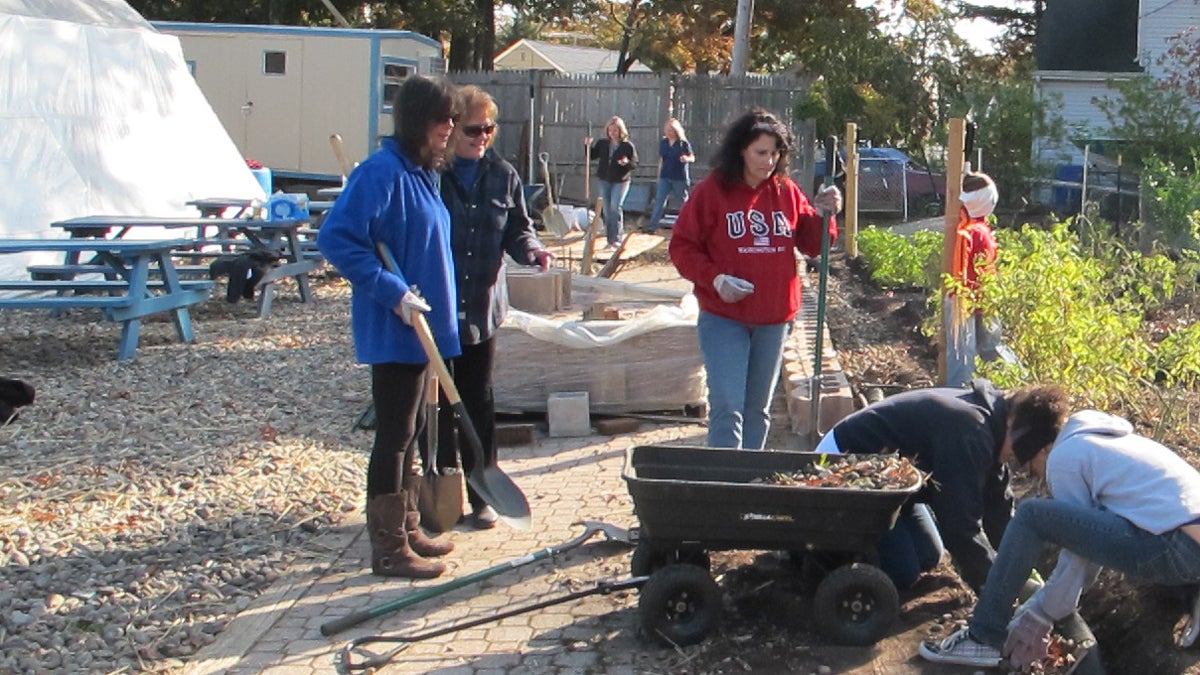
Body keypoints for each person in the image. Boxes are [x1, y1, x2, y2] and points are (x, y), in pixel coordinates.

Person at [920, 409, 1200, 671]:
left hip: (1177, 547)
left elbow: (1082, 551)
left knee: (1032, 516)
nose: (1041, 480)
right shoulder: (1107, 443)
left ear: (1044, 450)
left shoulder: (1064, 458)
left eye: (1033, 469)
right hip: (1189, 546)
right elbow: (1096, 540)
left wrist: (1042, 613)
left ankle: (983, 637)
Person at [317, 75, 461, 579]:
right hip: (395, 326)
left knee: (414, 427)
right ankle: (388, 548)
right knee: (395, 434)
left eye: (453, 119)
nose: (450, 127)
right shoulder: (381, 173)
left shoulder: (422, 173)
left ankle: (408, 525)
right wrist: (390, 290)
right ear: (417, 120)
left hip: (422, 329)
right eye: (442, 118)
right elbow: (336, 238)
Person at [669, 107, 840, 450]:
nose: (769, 161)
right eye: (761, 152)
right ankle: (725, 488)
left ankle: (750, 483)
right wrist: (716, 279)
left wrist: (825, 213)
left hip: (773, 318)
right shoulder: (712, 192)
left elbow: (812, 243)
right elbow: (682, 247)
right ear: (741, 151)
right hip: (724, 317)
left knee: (757, 409)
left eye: (776, 153)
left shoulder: (786, 191)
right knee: (728, 405)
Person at [814, 380, 1070, 594]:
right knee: (903, 573)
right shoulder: (970, 431)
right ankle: (826, 557)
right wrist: (999, 590)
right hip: (847, 473)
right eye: (1017, 459)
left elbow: (997, 506)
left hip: (893, 489)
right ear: (1021, 432)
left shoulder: (994, 421)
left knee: (929, 555)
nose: (1013, 464)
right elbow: (959, 525)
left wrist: (1021, 566)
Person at [437, 85, 554, 530]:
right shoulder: (433, 174)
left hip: (481, 309)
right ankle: (441, 494)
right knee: (436, 405)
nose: (482, 136)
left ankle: (480, 492)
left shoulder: (502, 174)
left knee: (478, 401)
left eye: (488, 128)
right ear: (450, 130)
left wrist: (533, 251)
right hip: (437, 308)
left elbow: (519, 230)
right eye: (472, 129)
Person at [945, 170, 1010, 387]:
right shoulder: (975, 231)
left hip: (972, 298)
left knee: (974, 352)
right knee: (963, 357)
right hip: (966, 300)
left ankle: (983, 390)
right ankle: (961, 397)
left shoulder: (972, 226)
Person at [585, 116, 638, 249]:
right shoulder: (603, 144)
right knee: (607, 210)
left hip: (621, 181)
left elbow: (634, 164)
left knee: (615, 207)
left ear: (621, 131)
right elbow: (591, 156)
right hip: (605, 180)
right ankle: (610, 240)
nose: (613, 133)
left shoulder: (627, 146)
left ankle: (617, 238)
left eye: (615, 130)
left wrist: (626, 163)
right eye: (610, 130)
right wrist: (587, 146)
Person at [645, 117, 695, 234]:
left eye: (671, 130)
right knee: (659, 201)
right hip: (665, 176)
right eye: (667, 130)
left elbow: (692, 157)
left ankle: (689, 227)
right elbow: (662, 159)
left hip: (679, 177)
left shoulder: (683, 143)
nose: (669, 132)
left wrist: (686, 158)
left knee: (683, 203)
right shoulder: (664, 143)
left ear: (676, 131)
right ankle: (653, 227)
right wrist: (658, 175)